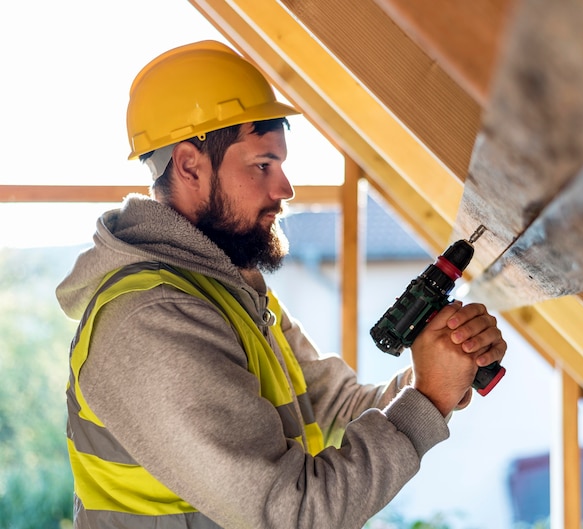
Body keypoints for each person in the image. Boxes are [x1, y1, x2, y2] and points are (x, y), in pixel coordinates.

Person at [57, 40, 507, 529]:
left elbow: (341, 411)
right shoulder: (152, 322)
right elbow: (293, 514)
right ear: (189, 166)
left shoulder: (229, 292)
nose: (284, 189)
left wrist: (435, 375)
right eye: (262, 165)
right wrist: (429, 400)